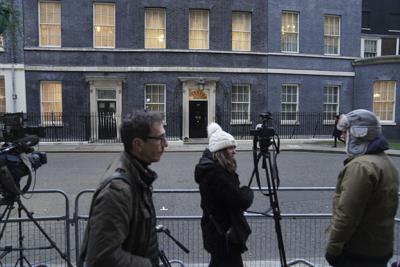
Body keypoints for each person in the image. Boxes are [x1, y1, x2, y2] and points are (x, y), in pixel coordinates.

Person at [79, 110, 168, 267]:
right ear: (138, 144)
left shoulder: (136, 172)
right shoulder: (117, 191)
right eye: (160, 138)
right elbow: (101, 258)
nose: (165, 144)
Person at [325, 109, 399, 267]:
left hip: (358, 252)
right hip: (380, 247)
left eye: (347, 132)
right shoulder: (385, 161)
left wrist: (333, 248)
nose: (343, 137)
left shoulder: (361, 167)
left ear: (359, 134)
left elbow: (347, 214)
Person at [195, 122, 254, 267]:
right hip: (223, 234)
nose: (235, 151)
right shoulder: (217, 174)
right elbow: (239, 200)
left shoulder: (214, 170)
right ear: (221, 151)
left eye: (234, 147)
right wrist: (247, 192)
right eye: (231, 147)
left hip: (218, 233)